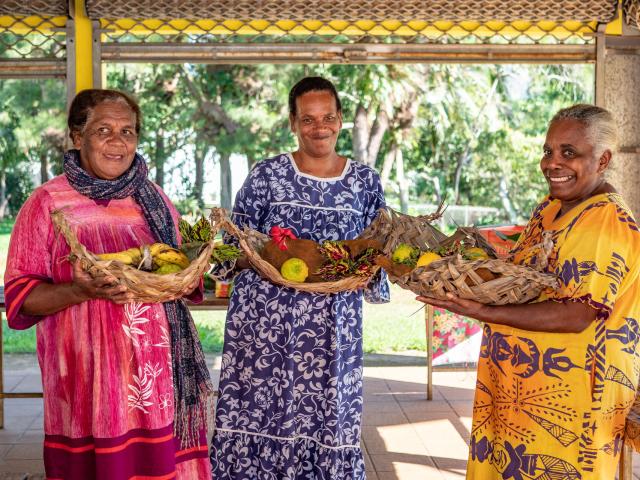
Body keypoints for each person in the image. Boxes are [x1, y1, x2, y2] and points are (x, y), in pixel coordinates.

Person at [418, 104, 640, 479]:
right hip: (519, 391)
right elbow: (526, 278)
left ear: (602, 160)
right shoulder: (551, 207)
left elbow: (577, 314)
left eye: (569, 153)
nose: (552, 163)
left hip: (570, 400)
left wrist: (477, 310)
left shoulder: (605, 223)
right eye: (548, 151)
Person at [4, 89, 213, 479]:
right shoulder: (47, 203)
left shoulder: (155, 199)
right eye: (104, 130)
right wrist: (78, 291)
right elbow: (20, 296)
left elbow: (183, 274)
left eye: (128, 131)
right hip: (87, 383)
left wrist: (185, 275)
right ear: (77, 137)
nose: (118, 142)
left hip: (157, 382)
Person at [210, 76, 389, 479]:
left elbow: (380, 252)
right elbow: (228, 249)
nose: (319, 127)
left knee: (328, 420)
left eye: (327, 117)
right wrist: (266, 258)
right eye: (307, 119)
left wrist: (364, 271)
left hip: (333, 332)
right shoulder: (267, 176)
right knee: (258, 416)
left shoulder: (365, 182)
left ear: (341, 119)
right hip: (263, 331)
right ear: (293, 122)